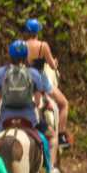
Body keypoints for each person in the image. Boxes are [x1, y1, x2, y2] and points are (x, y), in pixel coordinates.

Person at [0, 39, 65, 173]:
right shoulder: (34, 73)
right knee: (51, 136)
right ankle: (50, 168)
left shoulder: (0, 72)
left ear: (9, 55)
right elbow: (37, 101)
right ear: (26, 55)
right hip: (29, 119)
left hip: (5, 119)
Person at [23, 18, 71, 149]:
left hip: (25, 79)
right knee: (64, 104)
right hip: (41, 80)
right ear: (37, 31)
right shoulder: (43, 46)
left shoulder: (22, 45)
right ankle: (61, 136)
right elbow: (52, 66)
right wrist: (55, 62)